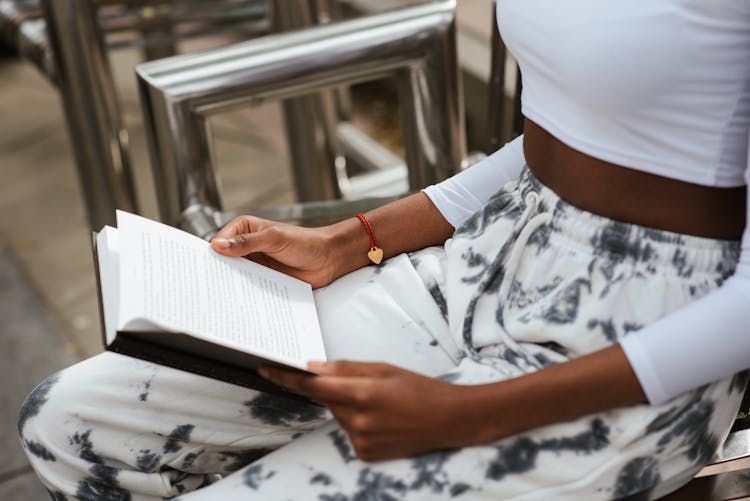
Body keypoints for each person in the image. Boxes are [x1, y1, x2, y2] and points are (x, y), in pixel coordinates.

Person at [17, 2, 750, 500]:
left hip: (643, 337)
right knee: (68, 422)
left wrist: (475, 413)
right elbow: (556, 139)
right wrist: (351, 239)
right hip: (487, 256)